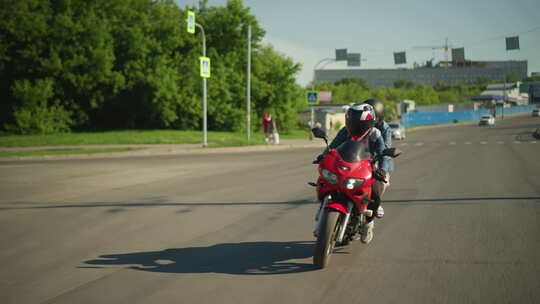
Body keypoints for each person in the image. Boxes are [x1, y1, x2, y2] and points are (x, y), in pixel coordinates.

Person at [314, 102, 390, 244]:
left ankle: (368, 223)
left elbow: (383, 153)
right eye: (352, 122)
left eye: (358, 123)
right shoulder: (345, 131)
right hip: (347, 164)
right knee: (326, 180)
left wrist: (383, 170)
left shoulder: (375, 134)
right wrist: (323, 156)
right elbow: (333, 146)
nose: (354, 126)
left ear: (369, 122)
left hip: (367, 168)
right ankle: (323, 211)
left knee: (375, 193)